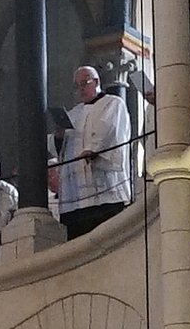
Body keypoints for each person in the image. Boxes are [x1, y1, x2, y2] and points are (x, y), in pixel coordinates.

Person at [55, 64, 134, 239]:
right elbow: (62, 150)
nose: (80, 89)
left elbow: (110, 129)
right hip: (76, 200)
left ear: (97, 82)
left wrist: (93, 149)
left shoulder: (113, 103)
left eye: (84, 83)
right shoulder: (74, 113)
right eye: (77, 86)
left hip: (106, 193)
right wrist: (59, 137)